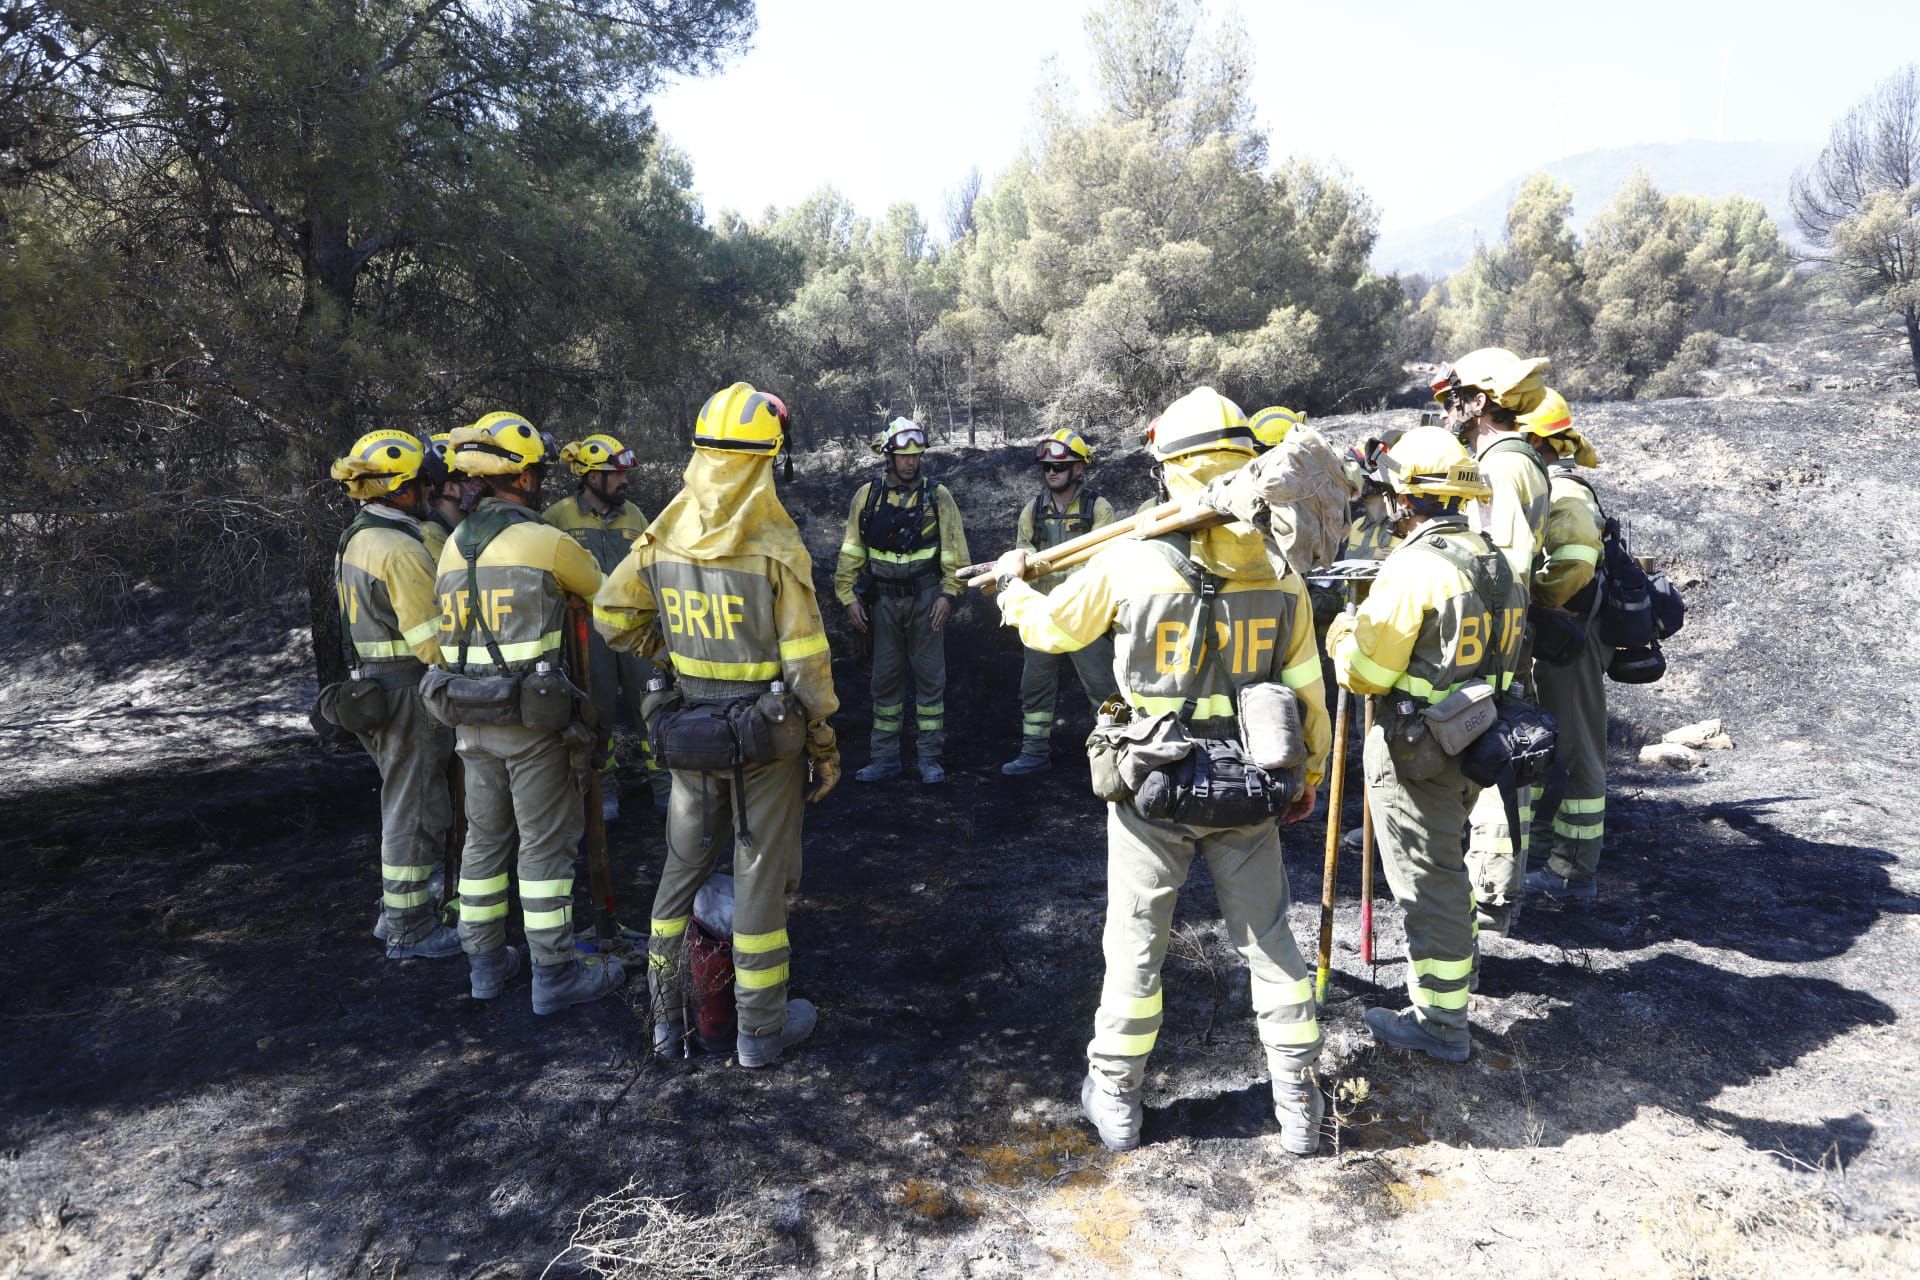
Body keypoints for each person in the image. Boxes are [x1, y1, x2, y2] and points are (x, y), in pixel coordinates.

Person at [988, 386, 1331, 1155]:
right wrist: (1308, 775)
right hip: (1251, 784)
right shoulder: (1280, 572)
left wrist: (1013, 585)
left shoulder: (1132, 561)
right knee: (1272, 941)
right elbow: (1310, 692)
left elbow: (1048, 628)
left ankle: (1116, 1099)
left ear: (1171, 468)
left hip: (1152, 784)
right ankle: (1298, 1102)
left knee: (1137, 942)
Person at [595, 382, 840, 1068]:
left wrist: (672, 656)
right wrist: (823, 744)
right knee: (759, 878)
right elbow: (806, 666)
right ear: (767, 459)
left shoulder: (662, 530)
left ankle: (665, 1026)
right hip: (766, 742)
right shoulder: (774, 541)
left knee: (678, 876)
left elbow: (614, 617)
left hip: (688, 734)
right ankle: (759, 1035)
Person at [1326, 426, 1526, 1063]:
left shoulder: (1413, 569)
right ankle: (1459, 980)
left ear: (1408, 500)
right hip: (1477, 739)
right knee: (1450, 862)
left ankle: (1441, 1022)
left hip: (1417, 750)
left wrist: (1340, 635)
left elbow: (1368, 673)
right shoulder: (1495, 561)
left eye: (1389, 491)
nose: (1384, 501)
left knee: (1427, 879)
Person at [435, 411, 627, 1012]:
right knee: (545, 848)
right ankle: (554, 973)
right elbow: (605, 590)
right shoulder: (544, 541)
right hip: (532, 725)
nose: (543, 482)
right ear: (519, 479)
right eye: (537, 473)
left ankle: (486, 967)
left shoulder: (447, 549)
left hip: (469, 724)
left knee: (484, 845)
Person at [327, 430, 462, 961]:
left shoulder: (358, 536)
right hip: (406, 693)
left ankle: (397, 914)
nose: (433, 491)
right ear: (404, 489)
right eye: (426, 482)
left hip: (373, 687)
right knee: (416, 808)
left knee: (403, 800)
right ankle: (411, 926)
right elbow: (431, 643)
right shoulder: (401, 549)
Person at [1432, 348, 1551, 936]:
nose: (1448, 412)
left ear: (1480, 402)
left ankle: (1487, 908)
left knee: (1492, 778)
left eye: (1455, 400)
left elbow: (1502, 569)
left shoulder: (1501, 468)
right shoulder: (1517, 461)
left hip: (1489, 654)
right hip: (1503, 650)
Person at [833, 417, 969, 785]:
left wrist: (947, 594)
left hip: (926, 600)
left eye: (916, 456)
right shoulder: (868, 496)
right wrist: (848, 597)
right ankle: (884, 759)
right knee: (885, 683)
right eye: (903, 456)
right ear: (889, 455)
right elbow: (851, 551)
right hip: (883, 604)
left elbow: (955, 553)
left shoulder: (938, 497)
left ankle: (929, 758)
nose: (910, 462)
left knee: (930, 682)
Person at [1514, 391, 1610, 902]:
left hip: (1570, 634)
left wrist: (1530, 601)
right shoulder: (1544, 487)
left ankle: (1574, 872)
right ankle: (1535, 852)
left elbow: (1573, 562)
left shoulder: (1565, 493)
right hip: (1552, 631)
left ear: (1532, 439)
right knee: (1537, 747)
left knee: (1576, 749)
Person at [545, 434, 670, 821]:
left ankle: (666, 788)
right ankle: (606, 790)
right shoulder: (558, 517)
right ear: (591, 477)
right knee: (595, 712)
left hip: (635, 631)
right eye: (615, 474)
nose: (624, 481)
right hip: (586, 634)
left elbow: (653, 568)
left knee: (653, 704)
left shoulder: (635, 516)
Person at [1001, 428, 1120, 776]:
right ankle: (1034, 753)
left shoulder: (1099, 509)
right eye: (1047, 467)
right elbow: (1022, 555)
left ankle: (1115, 761)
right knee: (1034, 689)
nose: (1052, 472)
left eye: (1062, 465)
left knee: (1105, 691)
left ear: (1079, 469)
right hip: (1042, 613)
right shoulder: (1032, 511)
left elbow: (1105, 560)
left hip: (1087, 615)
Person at [418, 432, 465, 561]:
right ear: (451, 488)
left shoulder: (455, 527)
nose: (479, 485)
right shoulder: (433, 537)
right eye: (470, 479)